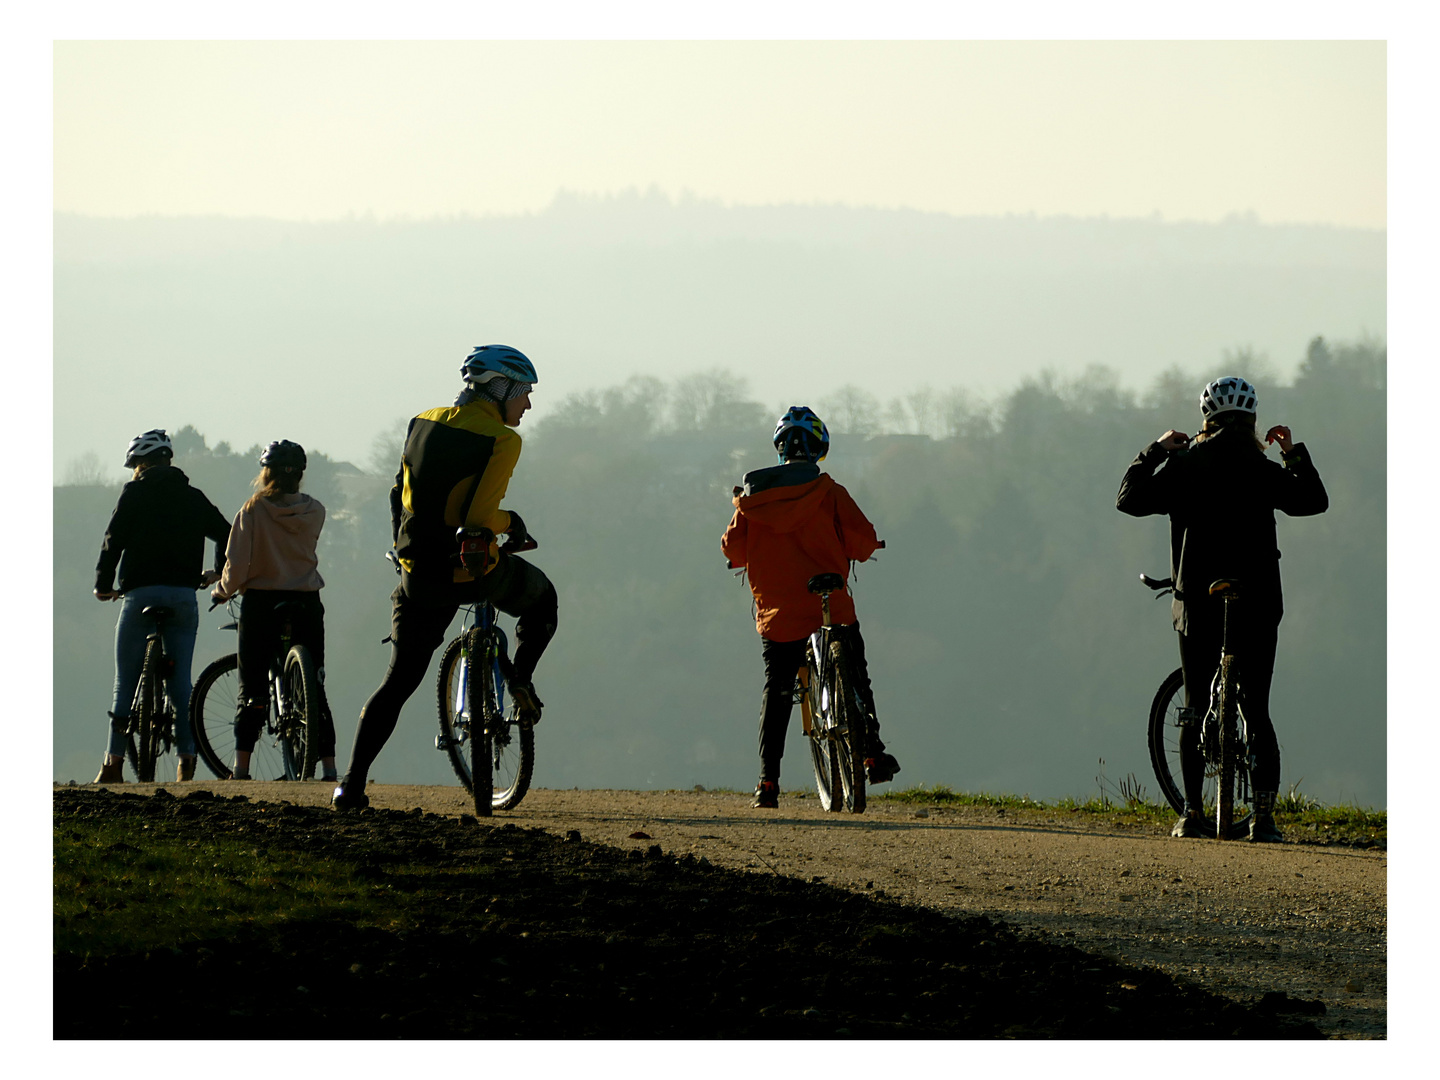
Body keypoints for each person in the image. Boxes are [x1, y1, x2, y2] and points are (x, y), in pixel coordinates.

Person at [331, 345, 559, 810]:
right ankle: (520, 678)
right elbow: (477, 518)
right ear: (503, 389)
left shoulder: (423, 421)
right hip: (472, 571)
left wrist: (404, 548)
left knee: (397, 683)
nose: (528, 405)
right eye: (525, 393)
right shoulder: (502, 439)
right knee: (542, 600)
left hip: (418, 574)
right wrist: (512, 521)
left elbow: (399, 494)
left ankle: (350, 786)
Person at [1117, 376, 1328, 842]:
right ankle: (1264, 821)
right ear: (1252, 422)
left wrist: (1154, 450)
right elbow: (1314, 502)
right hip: (1258, 601)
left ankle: (1192, 815)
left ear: (1206, 420)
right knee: (1257, 711)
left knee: (1194, 709)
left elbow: (1128, 499)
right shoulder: (1261, 466)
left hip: (1197, 599)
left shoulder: (1184, 464)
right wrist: (1292, 453)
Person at [721, 406, 901, 809]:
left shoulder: (751, 501)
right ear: (819, 449)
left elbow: (733, 550)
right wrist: (867, 549)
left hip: (779, 614)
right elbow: (861, 540)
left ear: (779, 450)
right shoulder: (830, 492)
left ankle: (768, 782)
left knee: (778, 688)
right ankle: (870, 750)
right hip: (828, 604)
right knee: (855, 670)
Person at [92, 429, 231, 783]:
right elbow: (227, 533)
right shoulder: (193, 496)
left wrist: (103, 585)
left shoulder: (134, 493)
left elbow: (113, 540)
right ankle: (186, 762)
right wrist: (216, 571)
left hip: (139, 597)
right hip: (183, 598)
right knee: (180, 684)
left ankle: (113, 764)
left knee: (125, 682)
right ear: (169, 461)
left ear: (139, 464)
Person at [211, 440, 337, 781]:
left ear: (265, 473)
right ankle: (328, 768)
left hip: (263, 602)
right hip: (307, 601)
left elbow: (236, 567)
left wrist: (222, 591)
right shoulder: (316, 510)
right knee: (315, 685)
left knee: (251, 687)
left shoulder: (251, 511)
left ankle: (241, 768)